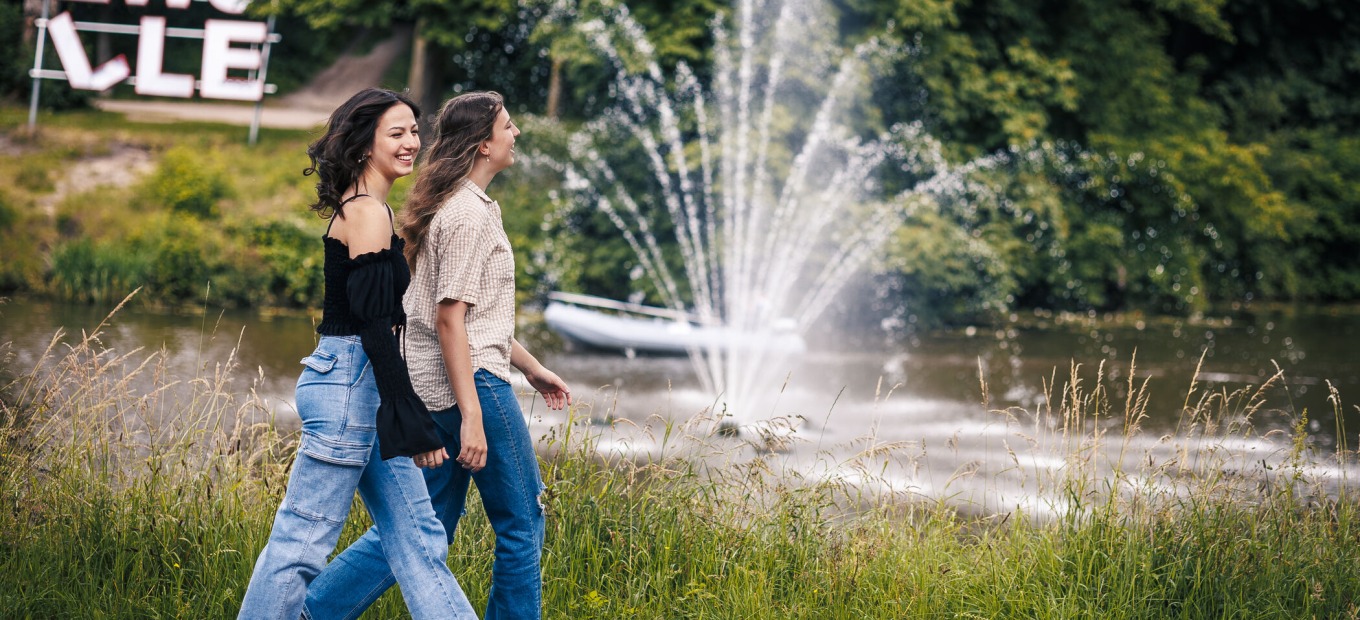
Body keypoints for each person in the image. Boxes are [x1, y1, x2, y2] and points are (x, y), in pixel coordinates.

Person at [305, 91, 571, 620]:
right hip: (472, 386)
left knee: (417, 532)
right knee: (523, 521)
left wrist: (533, 368)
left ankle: (310, 612)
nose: (515, 134)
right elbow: (451, 319)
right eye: (508, 126)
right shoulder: (469, 215)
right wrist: (472, 413)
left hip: (438, 387)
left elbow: (460, 316)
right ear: (482, 144)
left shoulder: (443, 206)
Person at [238, 88, 477, 620]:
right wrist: (407, 414)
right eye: (397, 132)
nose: (412, 141)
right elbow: (373, 326)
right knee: (302, 541)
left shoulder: (375, 208)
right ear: (366, 143)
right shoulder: (367, 213)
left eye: (415, 130)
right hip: (350, 384)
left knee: (418, 535)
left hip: (362, 383)